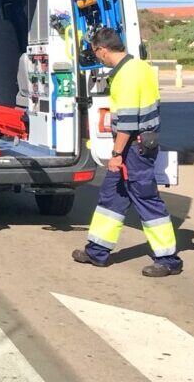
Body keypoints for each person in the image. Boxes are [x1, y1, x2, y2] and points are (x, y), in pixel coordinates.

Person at [72, 27, 184, 277]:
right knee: (111, 198)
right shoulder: (141, 67)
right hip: (141, 144)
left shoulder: (125, 76)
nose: (97, 57)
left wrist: (116, 155)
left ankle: (168, 260)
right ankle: (97, 251)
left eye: (95, 52)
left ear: (102, 50)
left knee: (146, 200)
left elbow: (128, 123)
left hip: (134, 148)